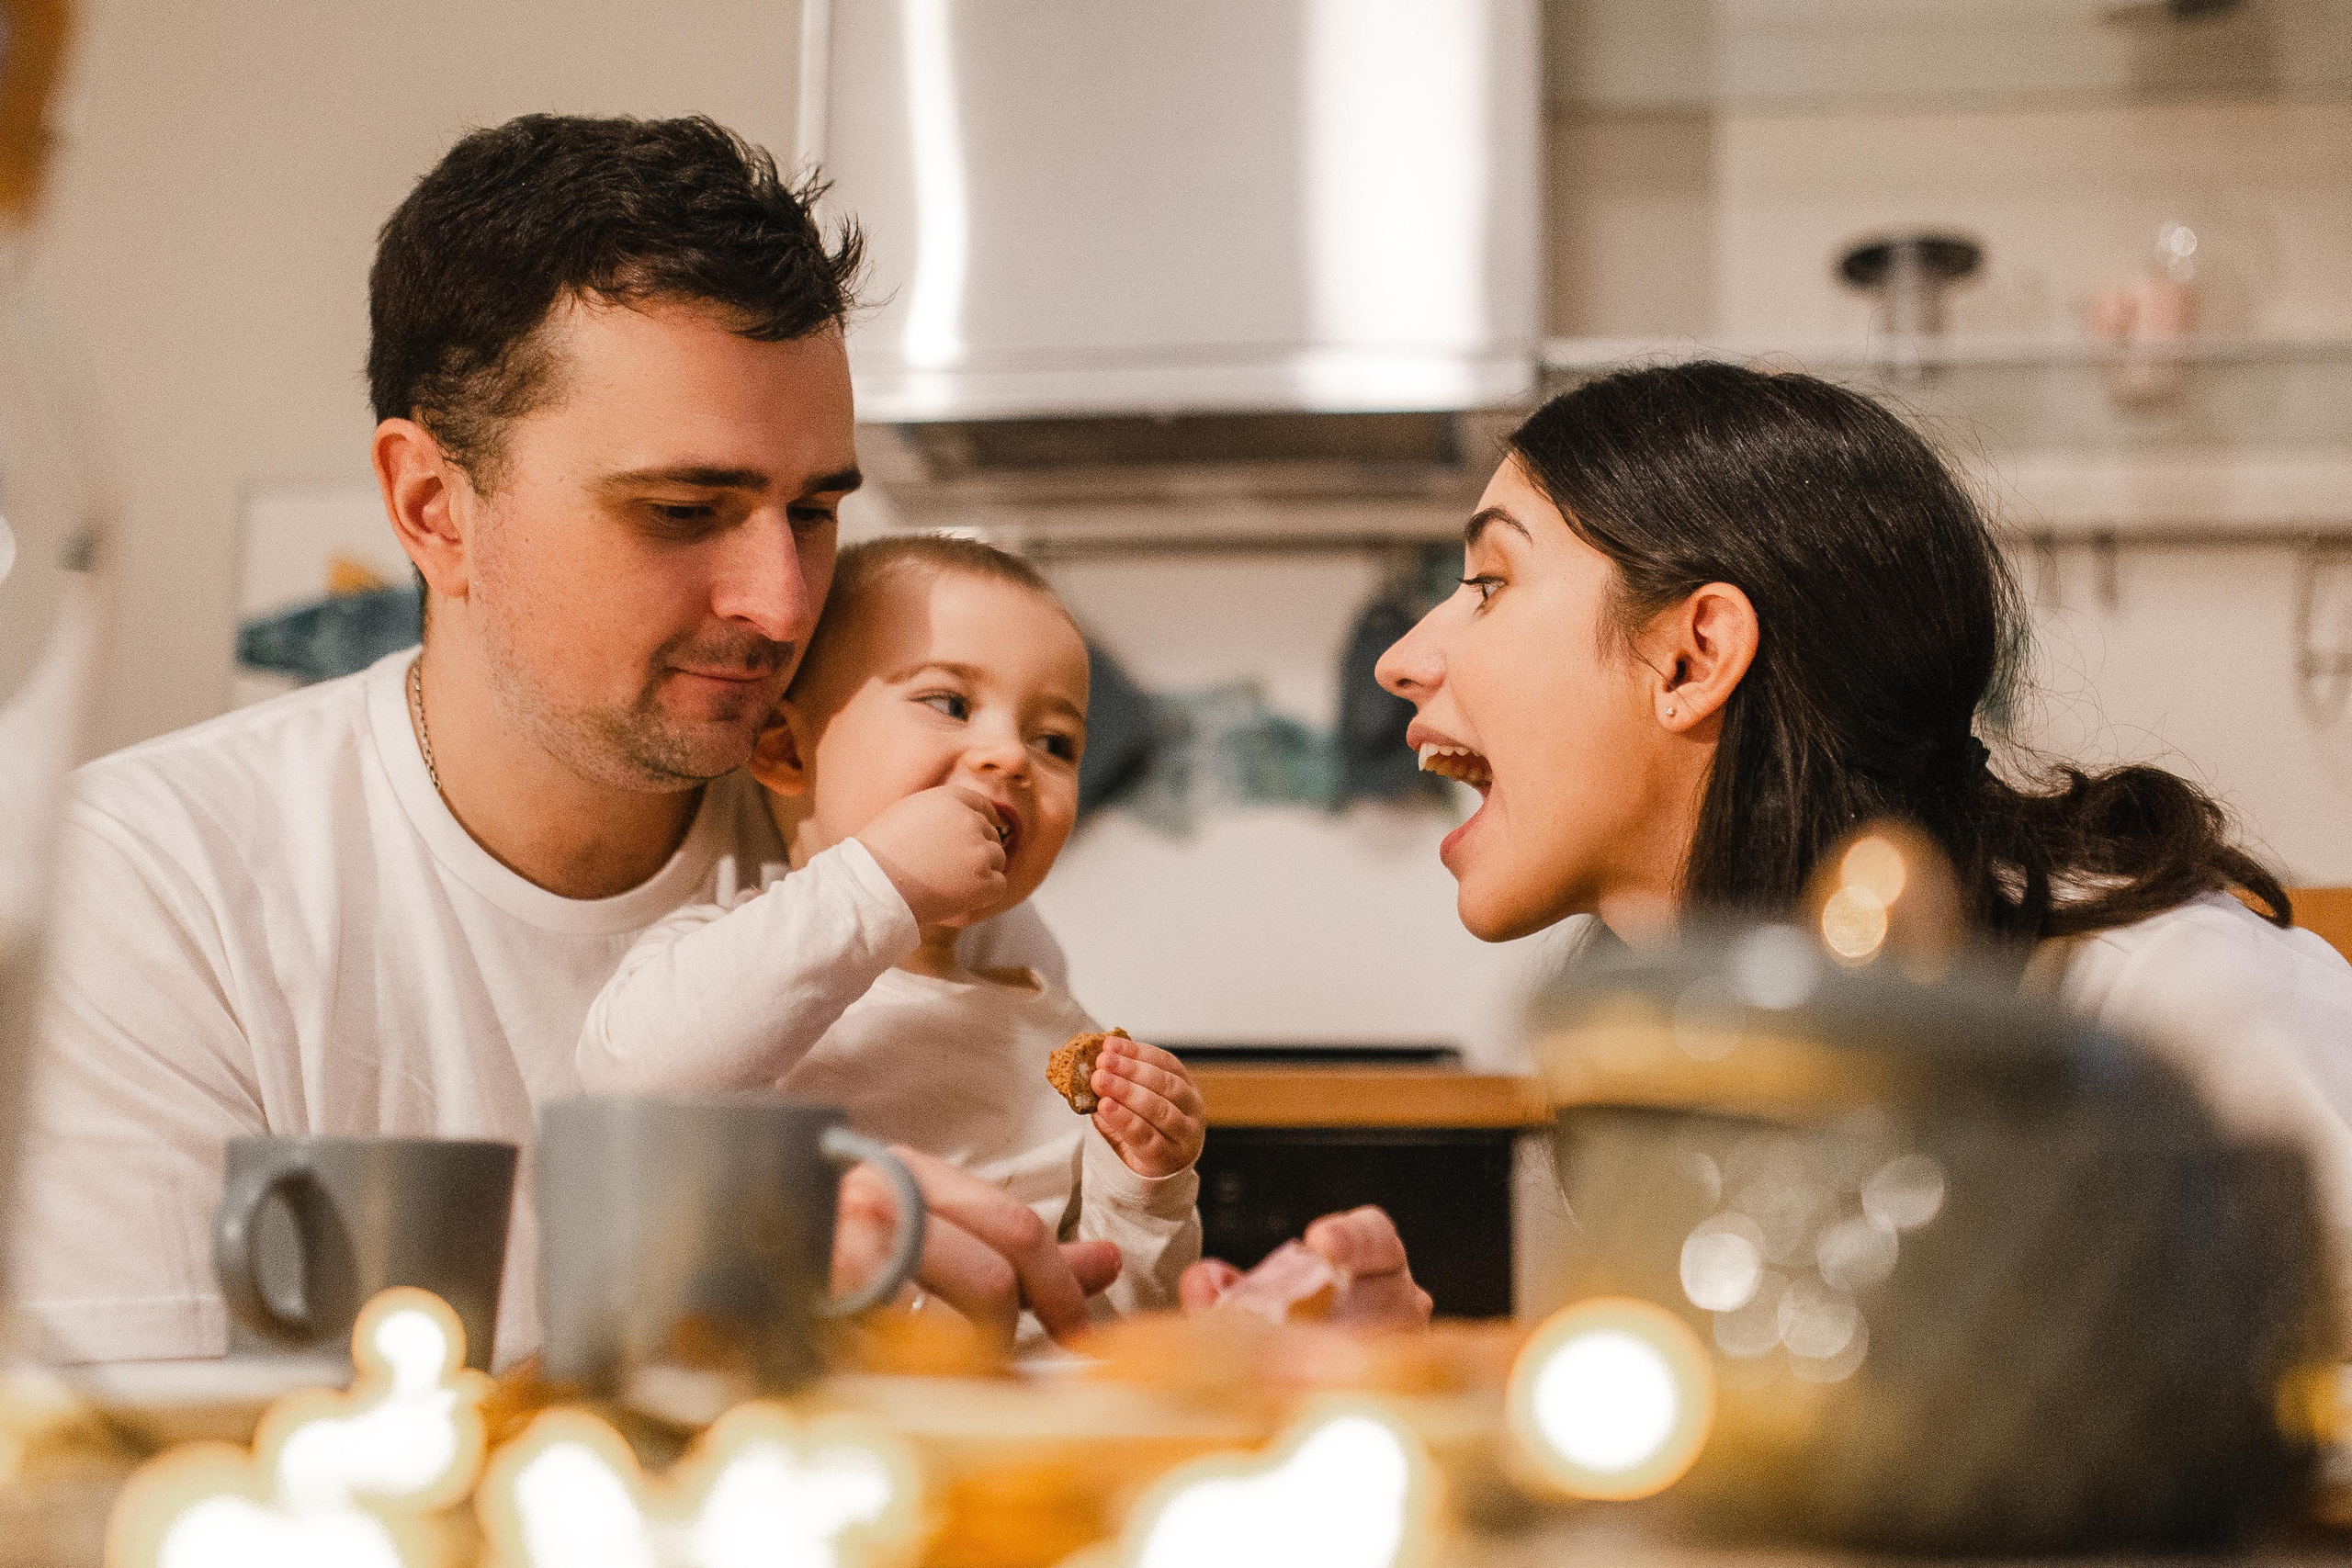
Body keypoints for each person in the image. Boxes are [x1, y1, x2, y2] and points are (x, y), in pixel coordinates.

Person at [6, 112, 1422, 1369]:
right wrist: (717, 1316)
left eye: (814, 510)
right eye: (684, 510)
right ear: (436, 508)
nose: (785, 601)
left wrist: (1244, 1363)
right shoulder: (148, 882)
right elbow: (118, 1495)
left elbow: (1067, 1320)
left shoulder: (879, 835)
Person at [1376, 360, 2352, 1292]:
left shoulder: (2169, 1007)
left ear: (1691, 656)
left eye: (1490, 585)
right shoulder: (1681, 1066)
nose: (1405, 660)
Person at [577, 536, 1204, 1336]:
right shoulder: (728, 952)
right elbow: (638, 1079)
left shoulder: (1060, 1030)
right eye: (949, 703)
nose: (1010, 755)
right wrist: (882, 877)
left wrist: (1146, 1187)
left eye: (1056, 743)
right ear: (785, 748)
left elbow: (1111, 1325)